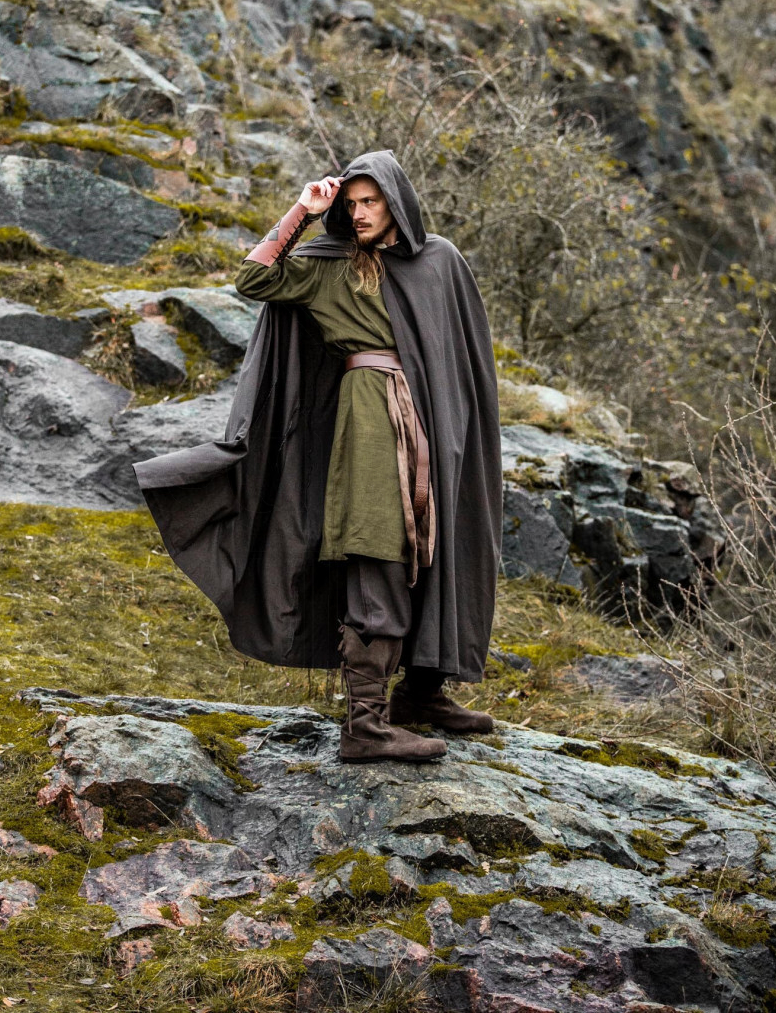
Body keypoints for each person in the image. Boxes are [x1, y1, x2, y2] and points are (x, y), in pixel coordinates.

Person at [133, 149, 503, 763]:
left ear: (396, 202)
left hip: (438, 427)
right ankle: (365, 724)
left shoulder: (440, 260)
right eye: (351, 204)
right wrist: (302, 212)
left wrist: (460, 435)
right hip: (369, 423)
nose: (359, 214)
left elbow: (466, 358)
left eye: (370, 202)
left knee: (442, 550)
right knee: (377, 547)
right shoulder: (328, 265)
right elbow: (252, 280)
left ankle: (421, 693)